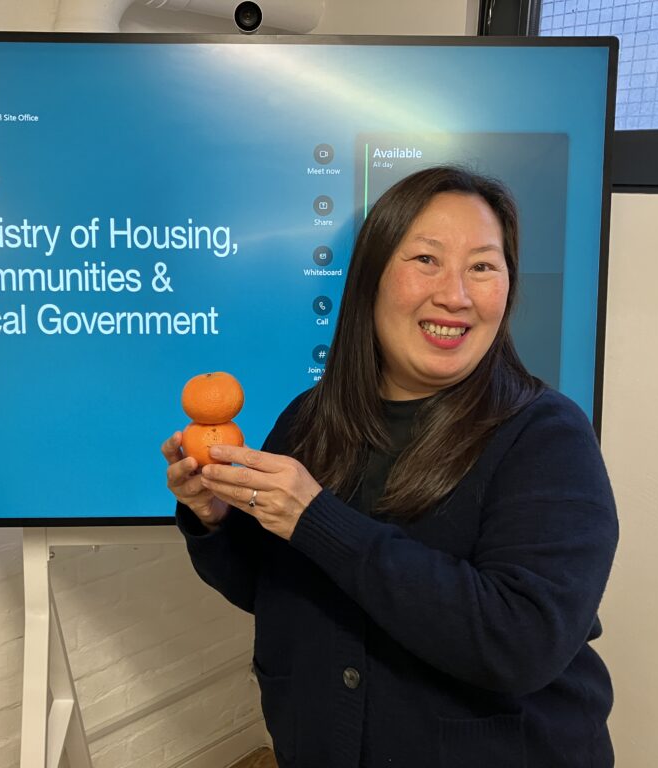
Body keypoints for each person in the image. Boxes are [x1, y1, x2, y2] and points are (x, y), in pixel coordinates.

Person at [162, 165, 618, 767]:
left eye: (482, 265)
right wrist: (217, 519)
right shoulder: (311, 418)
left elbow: (521, 644)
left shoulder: (546, 436)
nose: (454, 294)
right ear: (371, 278)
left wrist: (318, 520)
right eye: (426, 260)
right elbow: (271, 593)